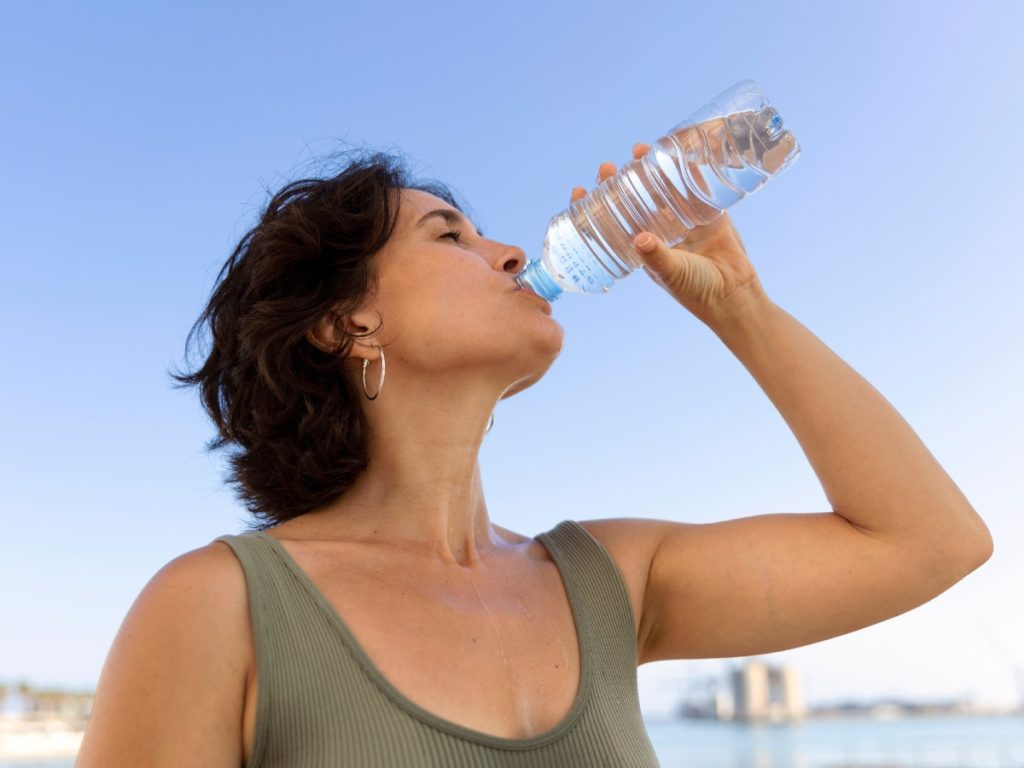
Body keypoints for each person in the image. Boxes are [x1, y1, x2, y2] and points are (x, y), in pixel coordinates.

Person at [76, 144, 993, 767]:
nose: (512, 253)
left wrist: (739, 304)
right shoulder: (218, 606)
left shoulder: (609, 581)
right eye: (452, 237)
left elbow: (930, 541)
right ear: (347, 320)